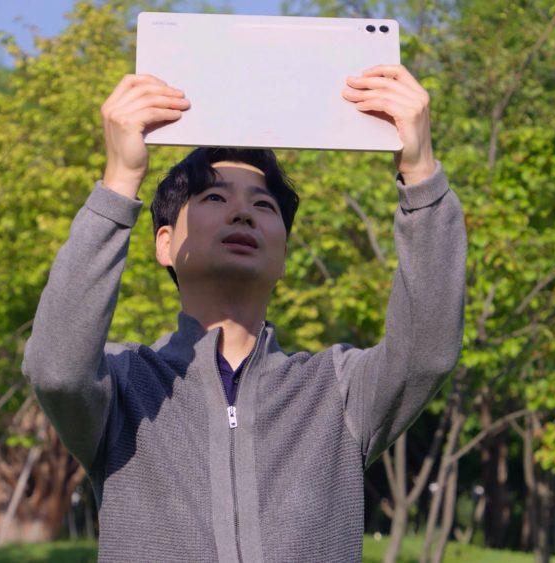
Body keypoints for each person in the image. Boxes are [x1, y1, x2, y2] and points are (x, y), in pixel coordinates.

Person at [23, 65, 466, 562]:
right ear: (164, 244)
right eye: (214, 197)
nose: (242, 213)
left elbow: (428, 351)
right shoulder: (125, 387)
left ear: (284, 253)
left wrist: (421, 173)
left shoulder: (338, 391)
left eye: (264, 205)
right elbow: (56, 369)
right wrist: (120, 181)